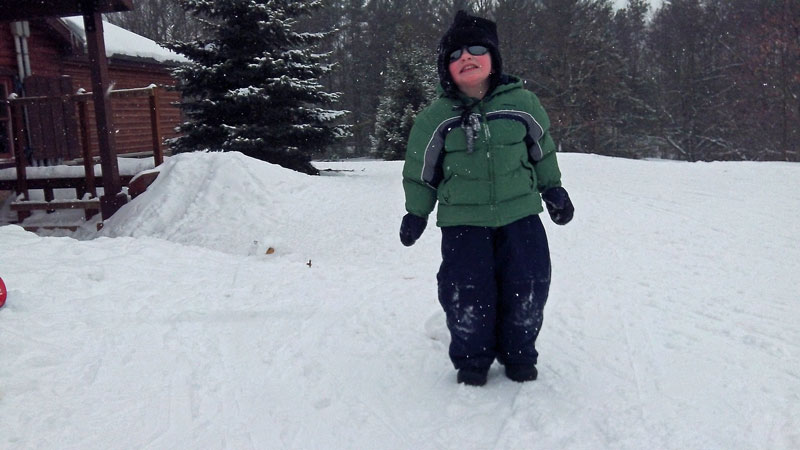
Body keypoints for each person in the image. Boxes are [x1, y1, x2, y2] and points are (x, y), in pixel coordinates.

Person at [399, 10, 574, 386]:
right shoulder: (437, 117)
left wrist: (553, 188)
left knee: (528, 284)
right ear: (446, 68)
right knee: (466, 292)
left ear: (493, 58)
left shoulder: (523, 103)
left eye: (476, 49)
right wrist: (416, 212)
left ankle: (519, 352)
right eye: (455, 54)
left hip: (521, 215)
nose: (466, 57)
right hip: (464, 223)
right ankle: (473, 358)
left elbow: (541, 150)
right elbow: (420, 169)